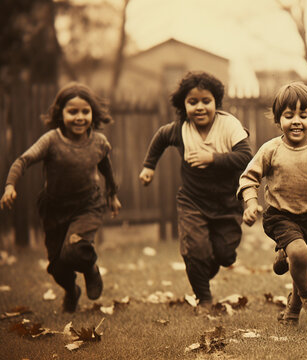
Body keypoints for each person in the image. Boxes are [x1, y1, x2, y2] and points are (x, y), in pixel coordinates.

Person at [0, 83, 121, 313]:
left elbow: (106, 167)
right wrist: (9, 186)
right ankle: (71, 291)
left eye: (85, 111)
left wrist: (112, 194)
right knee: (57, 267)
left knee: (75, 249)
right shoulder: (51, 141)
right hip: (54, 209)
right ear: (60, 113)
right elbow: (22, 161)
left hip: (88, 206)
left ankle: (90, 269)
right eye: (72, 111)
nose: (79, 117)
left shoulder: (98, 142)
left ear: (92, 113)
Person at [237, 82, 307, 324]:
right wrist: (250, 204)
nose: (296, 121)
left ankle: (291, 309)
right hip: (280, 215)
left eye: (303, 114)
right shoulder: (271, 149)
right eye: (289, 116)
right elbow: (249, 178)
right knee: (300, 253)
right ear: (279, 121)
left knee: (303, 264)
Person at [139, 71, 252, 309]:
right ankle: (204, 298)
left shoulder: (229, 125)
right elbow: (160, 138)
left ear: (216, 102)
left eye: (205, 101)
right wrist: (149, 166)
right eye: (192, 102)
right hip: (193, 200)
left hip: (227, 203)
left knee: (224, 253)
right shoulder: (181, 129)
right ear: (183, 105)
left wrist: (213, 158)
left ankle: (206, 265)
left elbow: (246, 157)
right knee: (195, 248)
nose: (199, 107)